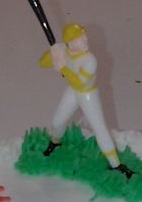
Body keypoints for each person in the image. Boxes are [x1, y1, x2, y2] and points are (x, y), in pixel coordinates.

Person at [40, 24, 133, 178]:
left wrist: (63, 68)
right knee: (57, 121)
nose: (85, 40)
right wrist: (53, 52)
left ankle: (116, 165)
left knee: (99, 127)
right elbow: (42, 64)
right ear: (70, 42)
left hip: (88, 95)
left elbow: (79, 82)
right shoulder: (64, 49)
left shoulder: (90, 60)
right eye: (79, 38)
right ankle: (55, 143)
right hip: (72, 92)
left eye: (84, 36)